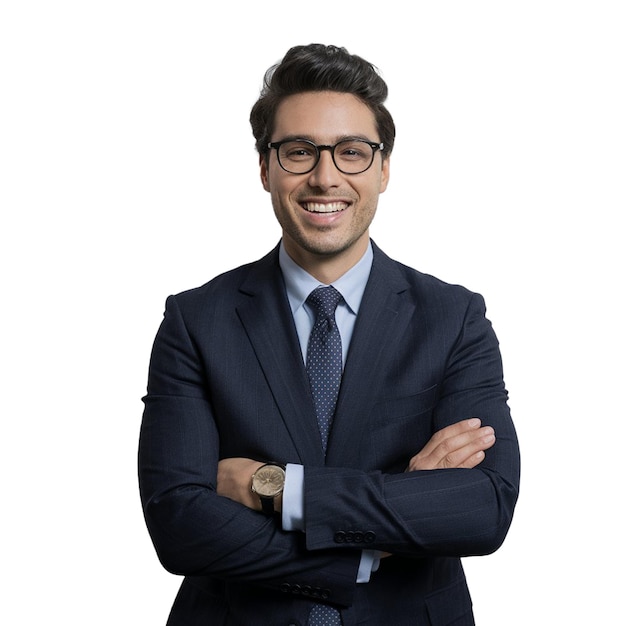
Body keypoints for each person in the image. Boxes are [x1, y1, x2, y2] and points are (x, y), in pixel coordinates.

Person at [138, 43, 520, 626]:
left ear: (384, 169)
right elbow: (180, 524)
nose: (325, 177)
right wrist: (388, 527)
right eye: (298, 152)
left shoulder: (453, 318)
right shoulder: (196, 320)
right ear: (265, 168)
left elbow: (482, 509)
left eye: (351, 152)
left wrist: (276, 489)